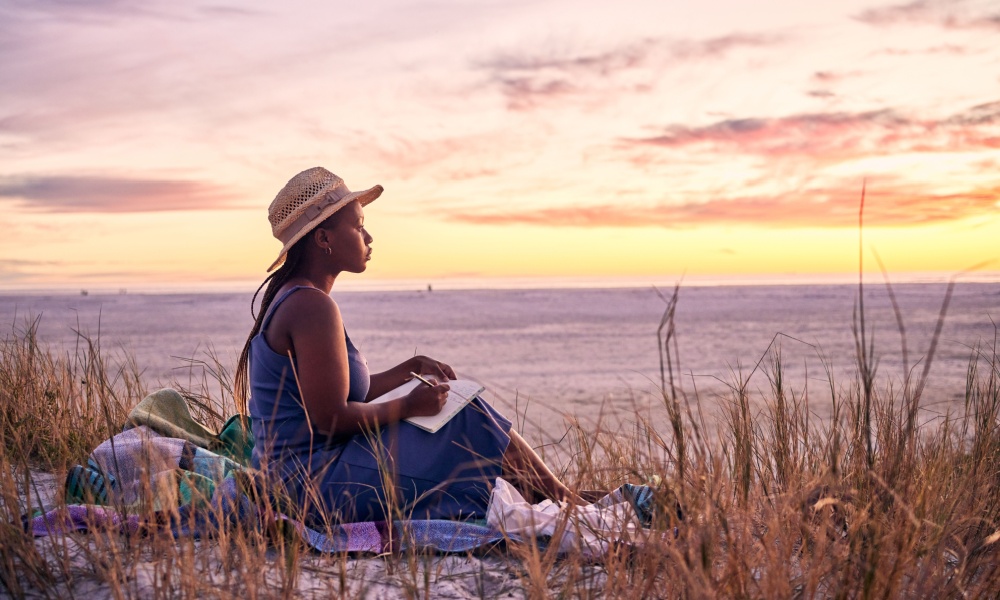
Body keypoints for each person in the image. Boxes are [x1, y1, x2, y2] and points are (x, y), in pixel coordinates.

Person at [234, 167, 582, 526]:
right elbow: (330, 419)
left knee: (462, 410)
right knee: (468, 413)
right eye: (358, 226)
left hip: (304, 476)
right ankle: (562, 499)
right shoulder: (311, 306)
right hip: (313, 487)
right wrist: (408, 405)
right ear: (324, 238)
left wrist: (409, 370)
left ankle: (553, 496)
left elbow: (340, 397)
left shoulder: (300, 298)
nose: (369, 237)